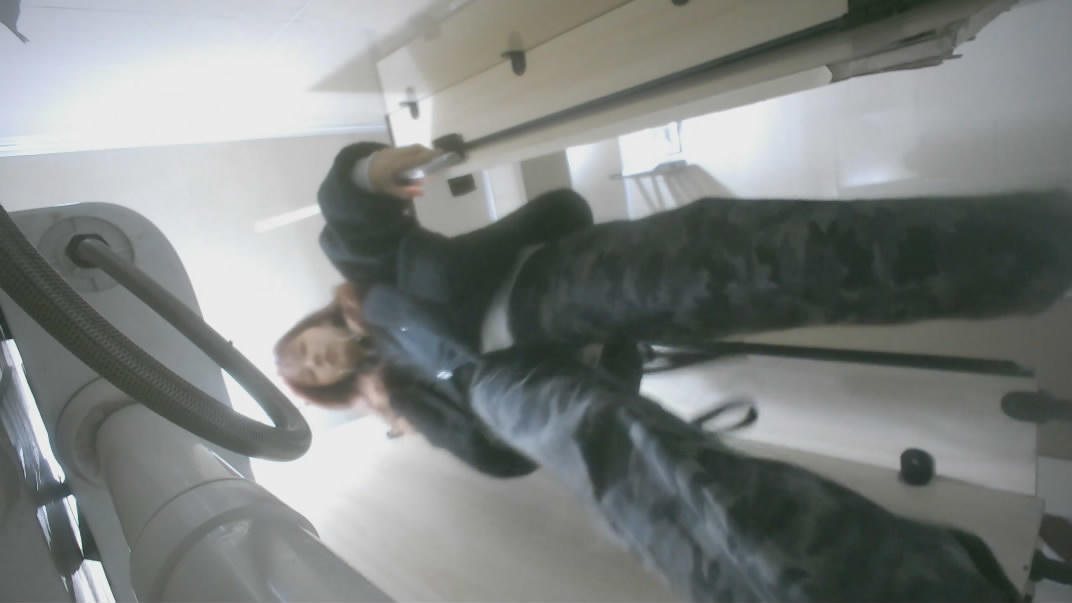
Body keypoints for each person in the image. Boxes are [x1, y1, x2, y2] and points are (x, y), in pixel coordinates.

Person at [276, 141, 1072, 475]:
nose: (318, 357)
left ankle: (1044, 245)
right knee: (773, 284)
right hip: (584, 354)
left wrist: (369, 171)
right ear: (328, 389)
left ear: (313, 325)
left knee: (774, 258)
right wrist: (406, 403)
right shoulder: (405, 397)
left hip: (557, 279)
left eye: (304, 346)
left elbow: (346, 213)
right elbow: (502, 455)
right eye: (311, 372)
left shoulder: (364, 287)